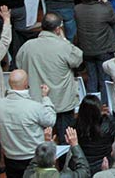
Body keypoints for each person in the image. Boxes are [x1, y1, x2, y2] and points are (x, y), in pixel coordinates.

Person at [17, 12, 83, 143]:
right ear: (58, 29)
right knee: (66, 140)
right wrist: (64, 39)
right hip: (62, 102)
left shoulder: (27, 46)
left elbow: (19, 65)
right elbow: (78, 59)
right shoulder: (64, 46)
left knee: (39, 142)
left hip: (37, 102)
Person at [0, 70, 56, 178]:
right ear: (26, 84)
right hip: (34, 157)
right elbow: (50, 120)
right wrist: (45, 98)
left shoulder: (0, 105)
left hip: (10, 158)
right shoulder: (34, 107)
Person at [74, 0, 115, 100]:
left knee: (91, 78)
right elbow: (114, 20)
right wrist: (106, 2)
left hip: (87, 49)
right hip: (104, 49)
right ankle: (105, 104)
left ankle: (91, 105)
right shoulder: (103, 9)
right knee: (105, 79)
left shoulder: (77, 9)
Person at [75, 94, 115, 174]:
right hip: (105, 164)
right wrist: (108, 115)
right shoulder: (108, 124)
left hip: (83, 165)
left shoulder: (77, 126)